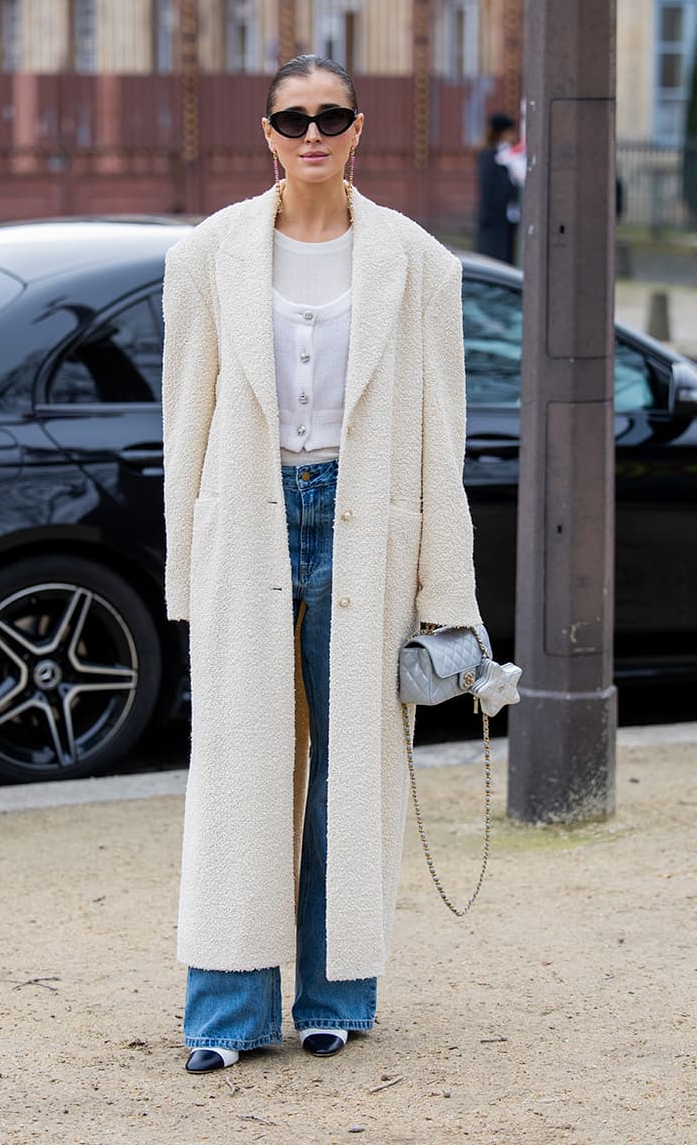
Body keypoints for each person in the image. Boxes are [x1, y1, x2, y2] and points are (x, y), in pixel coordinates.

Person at [162, 54, 480, 1074]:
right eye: (292, 117)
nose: (311, 132)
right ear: (265, 131)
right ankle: (227, 1010)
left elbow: (441, 438)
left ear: (356, 128)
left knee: (354, 771)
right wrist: (184, 569)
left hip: (361, 522)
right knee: (239, 774)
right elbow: (187, 421)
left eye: (329, 115)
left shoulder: (418, 263)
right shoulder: (208, 253)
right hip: (249, 522)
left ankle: (335, 995)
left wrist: (446, 595)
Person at [475, 112, 522, 264]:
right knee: (495, 262)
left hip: (503, 221)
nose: (512, 136)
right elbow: (493, 189)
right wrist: (515, 188)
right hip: (494, 222)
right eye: (509, 132)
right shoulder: (490, 156)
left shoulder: (501, 154)